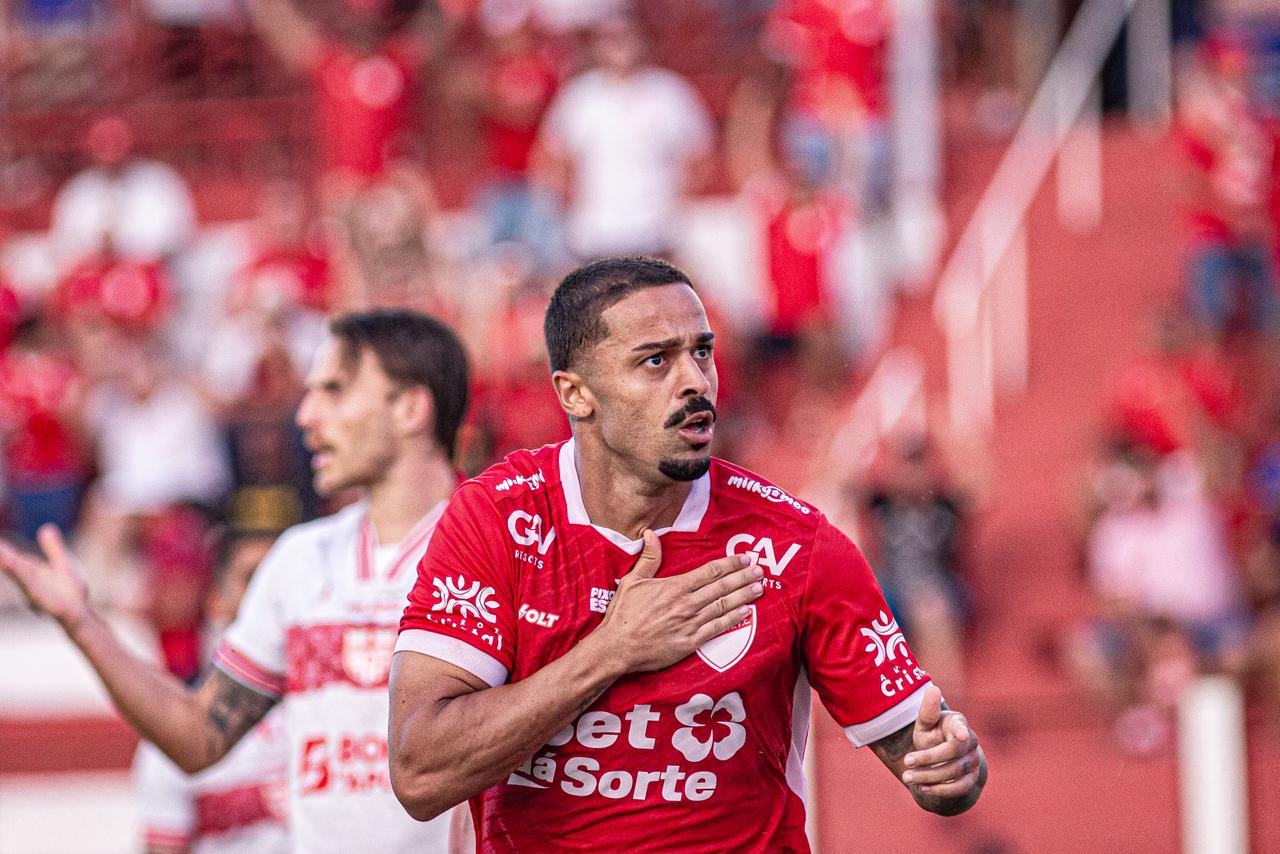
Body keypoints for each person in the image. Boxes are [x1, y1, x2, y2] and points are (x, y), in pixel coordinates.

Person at [389, 257, 986, 850]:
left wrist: (954, 767)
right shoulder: (499, 519)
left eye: (702, 352)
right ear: (575, 394)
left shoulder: (793, 545)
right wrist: (613, 650)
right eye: (656, 360)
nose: (696, 381)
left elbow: (928, 760)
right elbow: (420, 773)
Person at [0, 309, 470, 853]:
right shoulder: (300, 558)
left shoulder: (501, 551)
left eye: (334, 391)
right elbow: (199, 737)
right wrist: (81, 623)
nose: (306, 415)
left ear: (410, 407)